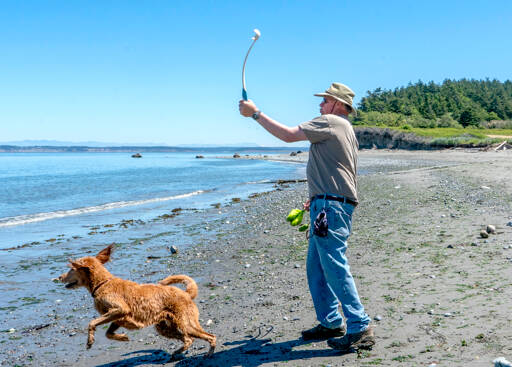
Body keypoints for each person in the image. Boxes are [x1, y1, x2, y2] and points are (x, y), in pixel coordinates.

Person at [238, 82, 375, 352]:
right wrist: (316, 198)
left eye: (324, 100)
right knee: (317, 267)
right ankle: (331, 322)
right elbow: (336, 168)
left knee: (334, 265)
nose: (320, 105)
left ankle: (359, 326)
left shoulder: (331, 121)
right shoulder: (344, 128)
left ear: (336, 103)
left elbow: (288, 135)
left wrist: (255, 114)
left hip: (331, 206)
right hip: (328, 204)